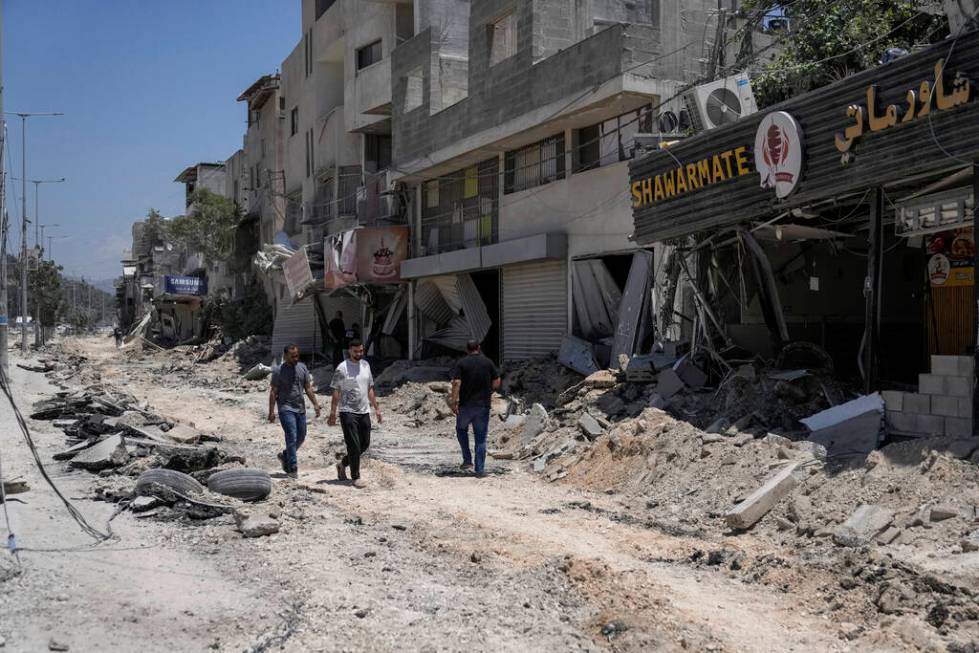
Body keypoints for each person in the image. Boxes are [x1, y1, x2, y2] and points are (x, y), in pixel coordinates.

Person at [328, 339, 381, 488]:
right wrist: (333, 413)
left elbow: (370, 388)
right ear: (349, 351)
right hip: (347, 411)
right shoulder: (342, 368)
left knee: (364, 444)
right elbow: (336, 390)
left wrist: (376, 408)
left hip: (364, 410)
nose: (359, 354)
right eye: (356, 351)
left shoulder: (365, 365)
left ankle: (342, 464)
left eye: (361, 351)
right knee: (354, 445)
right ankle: (355, 477)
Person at [448, 340, 501, 477]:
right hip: (483, 406)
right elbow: (497, 381)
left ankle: (467, 459)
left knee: (461, 429)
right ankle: (480, 470)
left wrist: (453, 402)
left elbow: (456, 382)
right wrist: (489, 390)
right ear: (479, 348)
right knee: (481, 438)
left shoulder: (462, 363)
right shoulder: (488, 362)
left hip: (466, 405)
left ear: (467, 349)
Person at [268, 344, 322, 479]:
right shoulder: (278, 371)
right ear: (285, 356)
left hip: (300, 408)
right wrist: (271, 411)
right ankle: (292, 468)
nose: (296, 358)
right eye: (293, 356)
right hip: (285, 408)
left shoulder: (302, 367)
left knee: (302, 436)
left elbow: (308, 388)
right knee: (291, 436)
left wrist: (315, 404)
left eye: (297, 355)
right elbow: (273, 391)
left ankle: (285, 455)